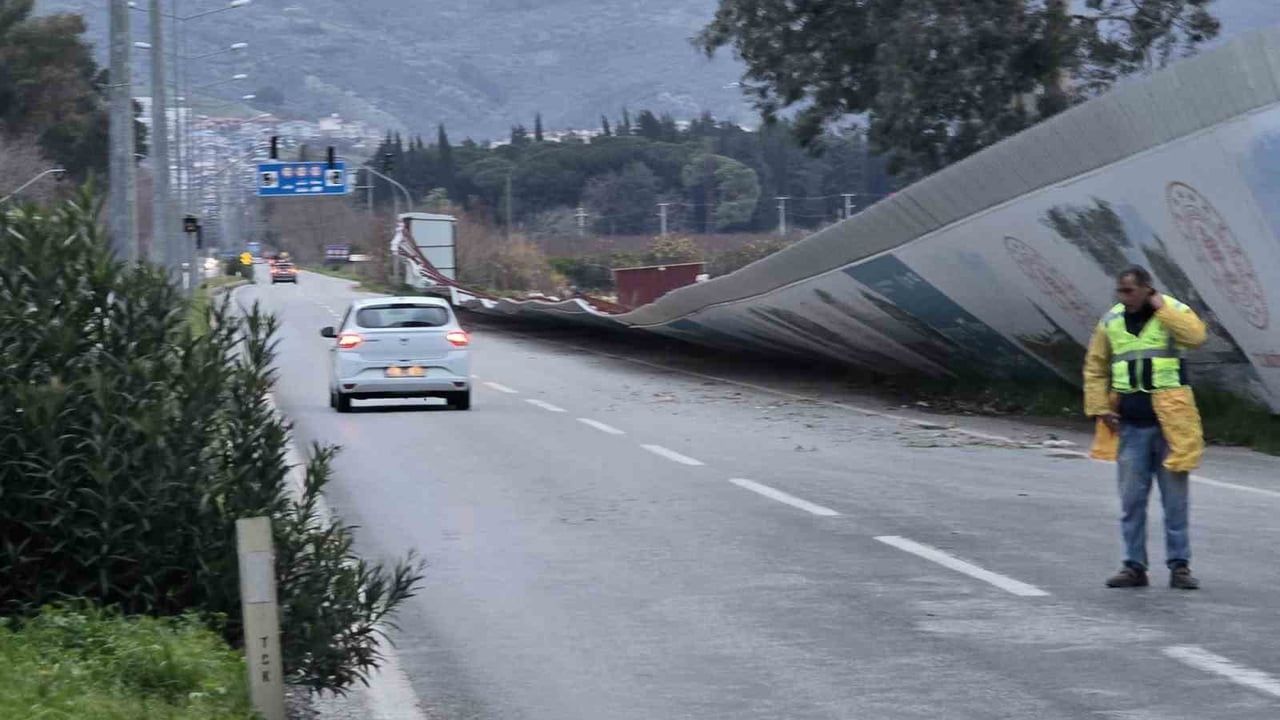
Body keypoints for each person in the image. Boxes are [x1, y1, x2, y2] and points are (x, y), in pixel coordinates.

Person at [1083, 265, 1207, 590]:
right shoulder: (1111, 320)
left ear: (1146, 289)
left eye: (1128, 291)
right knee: (1131, 501)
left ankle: (1180, 567)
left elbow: (1195, 337)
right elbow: (1095, 366)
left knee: (1175, 502)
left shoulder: (1173, 311)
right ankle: (1133, 566)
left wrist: (1161, 308)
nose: (1122, 297)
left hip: (1172, 426)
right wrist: (1099, 409)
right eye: (1119, 291)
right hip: (1132, 427)